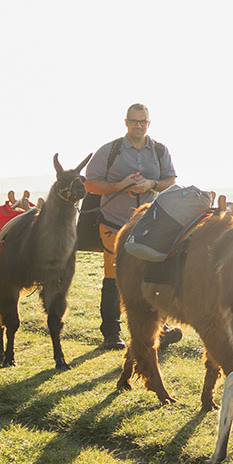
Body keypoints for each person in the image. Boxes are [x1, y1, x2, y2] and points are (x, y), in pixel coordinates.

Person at [84, 103, 179, 349]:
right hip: (113, 221)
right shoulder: (110, 150)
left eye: (142, 121)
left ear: (149, 123)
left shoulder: (160, 150)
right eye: (134, 121)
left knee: (154, 273)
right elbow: (90, 184)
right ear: (125, 122)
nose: (138, 125)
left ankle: (161, 330)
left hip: (148, 223)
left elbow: (170, 179)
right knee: (115, 274)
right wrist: (119, 186)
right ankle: (111, 334)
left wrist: (152, 185)